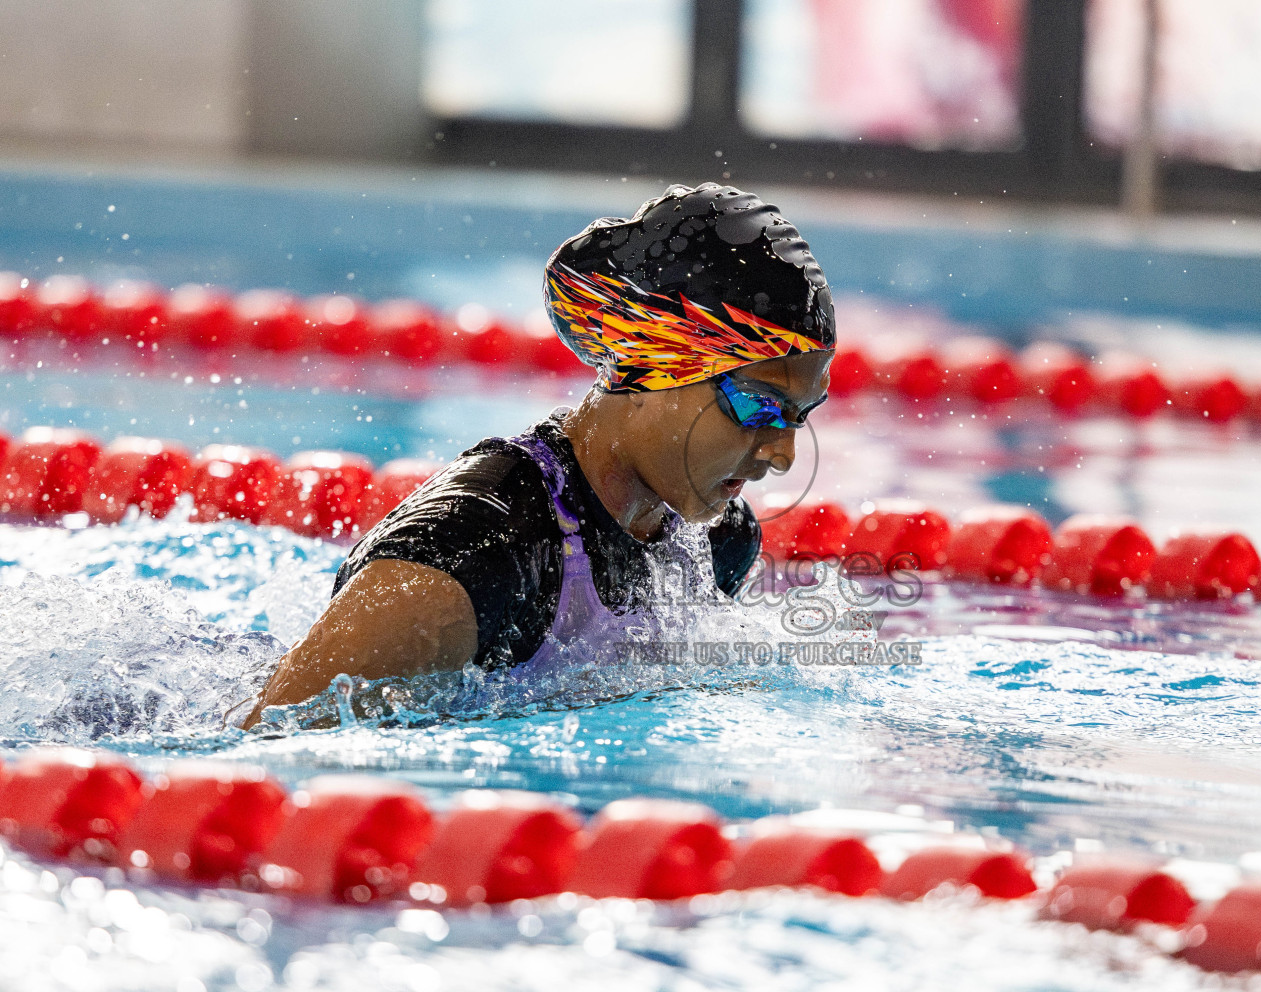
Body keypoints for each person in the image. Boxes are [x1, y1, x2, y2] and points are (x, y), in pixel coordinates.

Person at [235, 183, 836, 729]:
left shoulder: (720, 542)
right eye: (759, 408)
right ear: (654, 367)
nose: (783, 456)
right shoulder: (469, 557)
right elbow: (261, 751)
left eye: (799, 418)